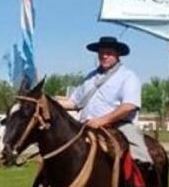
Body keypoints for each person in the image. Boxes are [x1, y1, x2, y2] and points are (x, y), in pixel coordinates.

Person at [57, 35, 152, 165]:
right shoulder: (90, 77)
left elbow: (128, 106)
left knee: (138, 151)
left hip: (118, 126)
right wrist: (48, 101)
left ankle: (145, 169)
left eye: (108, 53)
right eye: (101, 53)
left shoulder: (128, 76)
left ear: (117, 54)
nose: (104, 56)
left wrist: (101, 121)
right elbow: (74, 102)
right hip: (86, 125)